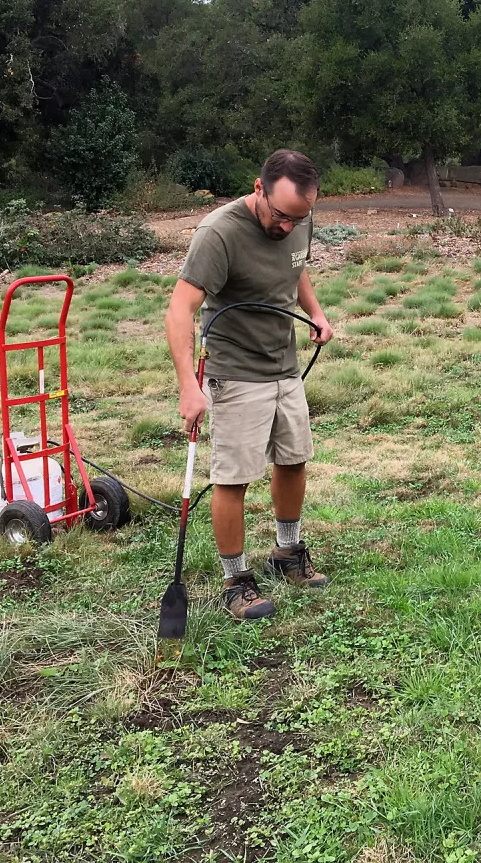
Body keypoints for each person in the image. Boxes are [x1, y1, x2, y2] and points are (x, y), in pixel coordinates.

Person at [165, 149, 334, 620]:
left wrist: (316, 313)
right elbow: (180, 310)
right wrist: (187, 386)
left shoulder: (298, 219)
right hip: (235, 370)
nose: (286, 227)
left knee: (294, 459)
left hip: (284, 363)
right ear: (259, 188)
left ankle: (287, 552)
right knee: (234, 477)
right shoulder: (218, 233)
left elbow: (296, 268)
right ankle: (236, 580)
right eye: (280, 215)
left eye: (298, 217)